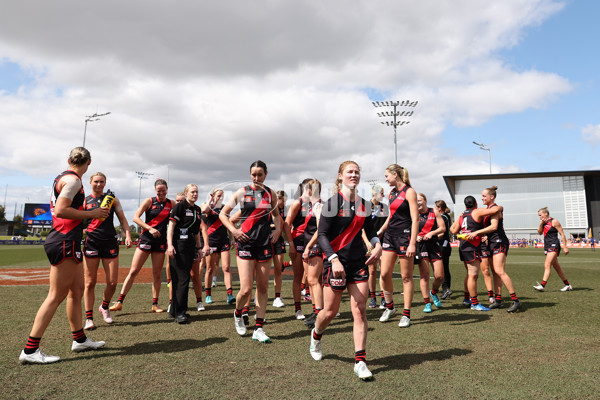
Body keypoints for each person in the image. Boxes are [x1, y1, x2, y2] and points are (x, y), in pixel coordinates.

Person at [20, 147, 107, 365]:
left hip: (68, 239)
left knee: (76, 291)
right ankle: (30, 350)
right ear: (88, 163)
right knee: (56, 295)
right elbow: (60, 210)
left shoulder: (63, 177)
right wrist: (92, 214)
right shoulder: (75, 181)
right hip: (64, 240)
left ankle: (79, 339)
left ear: (69, 160)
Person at [309, 161, 382, 381]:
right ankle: (316, 335)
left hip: (359, 262)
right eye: (349, 172)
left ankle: (360, 361)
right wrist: (333, 258)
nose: (354, 175)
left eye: (357, 172)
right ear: (340, 176)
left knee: (360, 310)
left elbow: (370, 231)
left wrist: (377, 245)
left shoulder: (365, 204)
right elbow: (322, 235)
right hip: (335, 264)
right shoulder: (331, 203)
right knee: (329, 312)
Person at [219, 160, 282, 343]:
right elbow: (224, 214)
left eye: (259, 174)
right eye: (253, 174)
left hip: (263, 244)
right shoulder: (242, 192)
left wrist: (277, 230)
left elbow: (277, 217)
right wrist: (234, 230)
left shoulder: (270, 194)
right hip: (245, 243)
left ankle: (259, 328)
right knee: (246, 289)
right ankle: (238, 313)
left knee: (262, 287)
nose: (256, 178)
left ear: (266, 174)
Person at [110, 179, 174, 313]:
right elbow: (135, 218)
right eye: (158, 191)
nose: (161, 193)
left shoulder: (171, 203)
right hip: (146, 239)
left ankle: (155, 304)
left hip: (160, 242)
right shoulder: (149, 201)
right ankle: (119, 301)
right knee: (133, 271)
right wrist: (149, 228)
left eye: (163, 190)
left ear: (167, 190)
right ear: (155, 191)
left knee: (157, 274)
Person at [83, 172, 132, 330]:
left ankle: (104, 307)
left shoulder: (112, 199)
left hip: (109, 242)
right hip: (91, 242)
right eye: (96, 181)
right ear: (90, 182)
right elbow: (75, 220)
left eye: (102, 182)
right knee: (90, 282)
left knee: (112, 282)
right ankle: (89, 318)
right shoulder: (84, 200)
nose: (99, 184)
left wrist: (128, 235)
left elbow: (123, 219)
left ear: (105, 183)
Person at [378, 164, 418, 328]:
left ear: (395, 174)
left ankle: (406, 314)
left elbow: (415, 219)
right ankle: (390, 307)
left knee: (406, 277)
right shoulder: (391, 193)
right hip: (390, 236)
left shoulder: (410, 192)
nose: (386, 179)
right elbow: (391, 215)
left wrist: (412, 243)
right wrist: (381, 230)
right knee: (385, 273)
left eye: (387, 175)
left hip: (404, 237)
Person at [166, 184, 209, 324]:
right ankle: (180, 313)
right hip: (178, 246)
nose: (195, 194)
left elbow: (196, 231)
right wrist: (170, 245)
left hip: (190, 247)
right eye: (192, 192)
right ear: (186, 193)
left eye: (197, 192)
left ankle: (173, 311)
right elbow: (171, 227)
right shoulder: (180, 207)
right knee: (182, 279)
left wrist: (199, 248)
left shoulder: (197, 209)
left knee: (182, 279)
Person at [450, 195, 502, 311]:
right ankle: (474, 303)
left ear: (465, 205)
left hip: (463, 246)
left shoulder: (463, 215)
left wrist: (459, 216)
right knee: (473, 275)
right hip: (472, 246)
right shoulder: (477, 212)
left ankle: (466, 298)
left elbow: (453, 230)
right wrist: (500, 207)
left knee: (469, 274)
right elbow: (494, 210)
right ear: (476, 204)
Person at [480, 186, 522, 312]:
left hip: (499, 241)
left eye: (484, 196)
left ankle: (515, 300)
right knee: (495, 272)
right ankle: (498, 300)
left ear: (491, 197)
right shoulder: (489, 209)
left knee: (499, 270)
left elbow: (494, 227)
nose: (482, 198)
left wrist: (478, 232)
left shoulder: (495, 209)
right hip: (492, 242)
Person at [201, 188, 235, 305]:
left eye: (222, 196)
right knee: (210, 268)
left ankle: (230, 295)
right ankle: (208, 295)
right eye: (218, 195)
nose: (220, 198)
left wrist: (233, 239)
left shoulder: (225, 208)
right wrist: (211, 200)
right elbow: (204, 210)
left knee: (226, 267)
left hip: (223, 241)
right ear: (214, 196)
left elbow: (229, 222)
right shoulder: (208, 206)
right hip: (211, 241)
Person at [285, 179, 312, 320]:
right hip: (299, 241)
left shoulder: (317, 203)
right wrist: (291, 244)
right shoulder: (298, 203)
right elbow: (286, 224)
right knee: (298, 275)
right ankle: (298, 309)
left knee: (314, 277)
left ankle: (318, 309)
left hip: (313, 242)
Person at [415, 193, 446, 313]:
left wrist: (431, 233)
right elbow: (407, 229)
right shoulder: (413, 213)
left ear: (425, 200)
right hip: (421, 246)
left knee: (439, 276)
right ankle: (427, 303)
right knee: (424, 276)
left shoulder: (434, 211)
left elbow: (442, 228)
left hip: (434, 245)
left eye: (420, 200)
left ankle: (433, 292)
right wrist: (415, 236)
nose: (418, 202)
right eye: (416, 200)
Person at [533, 207, 573, 292]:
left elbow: (562, 234)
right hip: (547, 245)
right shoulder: (543, 222)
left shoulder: (554, 221)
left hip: (554, 244)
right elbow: (539, 232)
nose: (539, 217)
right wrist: (541, 224)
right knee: (556, 267)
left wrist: (565, 246)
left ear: (546, 214)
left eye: (540, 215)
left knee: (547, 265)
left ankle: (542, 285)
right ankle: (567, 285)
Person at [301, 179, 323, 328]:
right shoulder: (312, 206)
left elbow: (320, 230)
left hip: (315, 247)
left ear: (310, 191)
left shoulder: (319, 206)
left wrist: (308, 246)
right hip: (309, 247)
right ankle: (316, 312)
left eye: (304, 190)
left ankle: (320, 314)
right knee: (311, 281)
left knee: (315, 281)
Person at [367, 184, 389, 309]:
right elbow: (362, 227)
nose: (383, 195)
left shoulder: (384, 207)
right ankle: (373, 298)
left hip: (382, 241)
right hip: (370, 243)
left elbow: (387, 225)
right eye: (381, 193)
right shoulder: (365, 206)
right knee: (372, 271)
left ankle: (383, 298)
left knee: (383, 271)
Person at [272, 190, 293, 308]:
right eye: (281, 200)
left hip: (279, 241)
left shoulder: (285, 210)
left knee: (278, 269)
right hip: (267, 241)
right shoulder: (268, 208)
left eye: (284, 200)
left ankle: (277, 297)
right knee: (261, 272)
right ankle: (258, 295)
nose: (283, 202)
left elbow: (286, 225)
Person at [435, 200, 453, 300]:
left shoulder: (442, 217)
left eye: (435, 207)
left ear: (439, 208)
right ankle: (446, 289)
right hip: (446, 245)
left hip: (442, 245)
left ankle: (446, 289)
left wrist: (431, 237)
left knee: (442, 269)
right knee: (445, 268)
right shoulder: (447, 216)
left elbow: (441, 234)